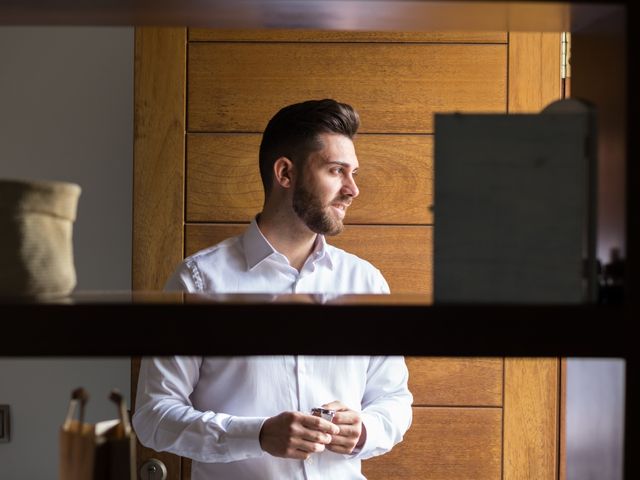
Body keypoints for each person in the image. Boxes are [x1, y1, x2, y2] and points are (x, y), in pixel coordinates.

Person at [132, 99, 413, 480]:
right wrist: (258, 435)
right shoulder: (198, 283)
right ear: (285, 173)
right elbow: (153, 416)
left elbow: (394, 400)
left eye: (354, 173)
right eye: (336, 171)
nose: (352, 190)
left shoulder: (367, 285)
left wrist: (364, 430)